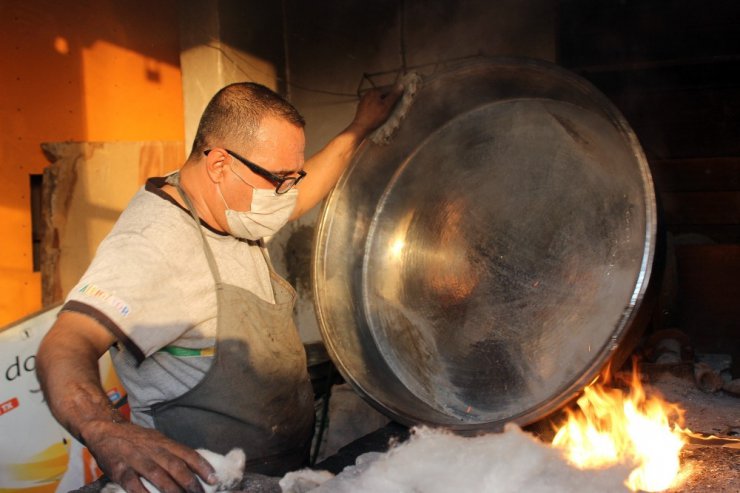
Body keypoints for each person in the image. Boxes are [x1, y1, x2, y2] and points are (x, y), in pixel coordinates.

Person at [36, 82, 401, 493]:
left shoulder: (234, 206)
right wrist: (105, 430)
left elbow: (298, 197)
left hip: (272, 477)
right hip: (202, 484)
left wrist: (360, 126)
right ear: (220, 165)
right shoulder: (154, 243)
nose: (287, 194)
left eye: (291, 177)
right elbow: (64, 344)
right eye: (279, 179)